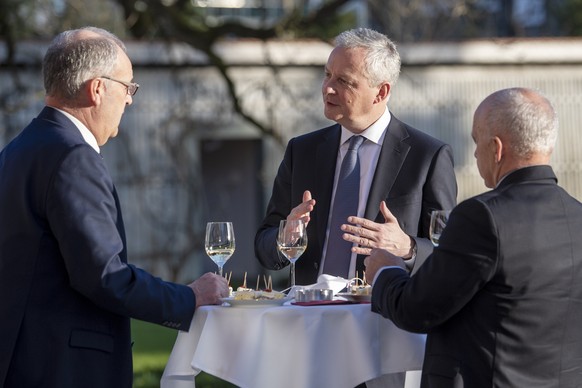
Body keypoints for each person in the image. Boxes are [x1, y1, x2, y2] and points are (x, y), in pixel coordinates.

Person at [0, 27, 228, 387]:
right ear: (97, 89)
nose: (129, 100)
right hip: (65, 369)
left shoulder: (16, 151)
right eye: (128, 87)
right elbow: (105, 277)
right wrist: (189, 297)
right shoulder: (74, 156)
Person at [365, 87, 582, 387]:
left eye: (476, 141)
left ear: (497, 149)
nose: (476, 153)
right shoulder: (577, 215)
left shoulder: (482, 217)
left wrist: (385, 270)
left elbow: (416, 310)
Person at [255, 28, 457, 286]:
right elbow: (264, 248)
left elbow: (451, 255)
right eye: (327, 75)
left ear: (381, 92)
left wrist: (407, 247)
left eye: (344, 81)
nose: (328, 88)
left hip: (382, 318)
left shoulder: (428, 156)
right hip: (308, 316)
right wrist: (287, 236)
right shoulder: (302, 151)